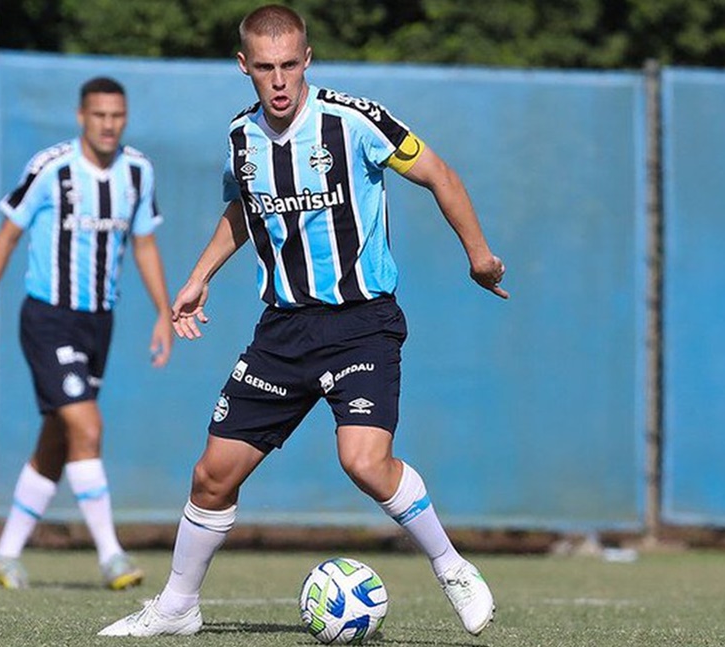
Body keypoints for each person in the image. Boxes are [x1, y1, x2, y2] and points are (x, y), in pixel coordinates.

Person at [100, 4, 506, 637]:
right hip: (284, 332)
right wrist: (199, 275)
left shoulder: (356, 121)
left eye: (290, 64)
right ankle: (178, 608)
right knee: (212, 475)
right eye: (265, 68)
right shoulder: (241, 139)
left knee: (365, 461)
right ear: (245, 67)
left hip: (361, 323)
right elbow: (242, 213)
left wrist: (478, 255)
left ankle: (453, 568)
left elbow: (438, 174)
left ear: (308, 59)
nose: (280, 80)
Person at [0, 76, 173, 591]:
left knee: (59, 440)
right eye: (99, 115)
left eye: (117, 116)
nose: (109, 124)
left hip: (99, 322)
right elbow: (8, 236)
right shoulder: (51, 168)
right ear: (81, 117)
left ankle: (5, 556)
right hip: (48, 317)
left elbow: (143, 244)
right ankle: (112, 556)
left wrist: (164, 311)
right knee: (87, 427)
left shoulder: (137, 171)